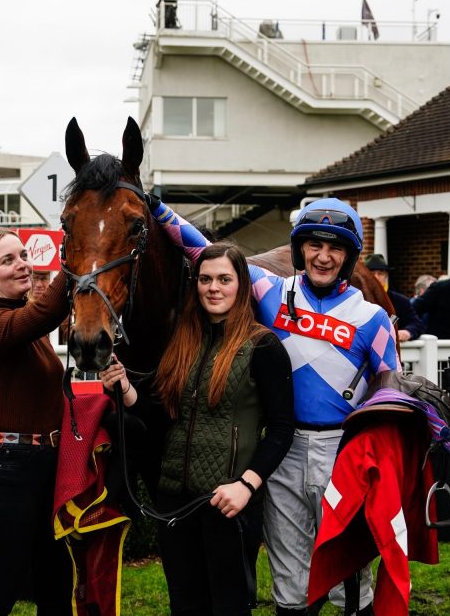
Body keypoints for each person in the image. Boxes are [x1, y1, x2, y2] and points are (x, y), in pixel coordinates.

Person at [151, 196, 398, 615]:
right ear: (299, 248)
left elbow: (390, 396)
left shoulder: (373, 318)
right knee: (289, 578)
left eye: (335, 247)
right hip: (283, 452)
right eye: (313, 245)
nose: (323, 256)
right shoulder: (269, 289)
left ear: (349, 254)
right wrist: (154, 206)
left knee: (350, 578)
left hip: (341, 453)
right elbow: (199, 248)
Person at [154, 242, 294, 614]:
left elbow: (282, 429)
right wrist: (126, 391)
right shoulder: (182, 342)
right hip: (175, 500)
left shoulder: (262, 346)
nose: (213, 288)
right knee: (185, 604)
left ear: (241, 286)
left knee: (228, 606)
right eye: (205, 279)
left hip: (227, 501)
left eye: (223, 279)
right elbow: (164, 412)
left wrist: (247, 485)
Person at [0, 229, 73, 615]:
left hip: (47, 467)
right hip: (8, 472)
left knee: (57, 585)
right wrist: (76, 258)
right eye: (8, 260)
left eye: (23, 255)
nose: (23, 264)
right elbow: (47, 312)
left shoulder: (25, 325)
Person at [364, 253, 425, 342]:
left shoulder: (400, 301)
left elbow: (416, 323)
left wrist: (407, 332)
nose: (376, 277)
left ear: (386, 276)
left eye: (380, 273)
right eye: (372, 273)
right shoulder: (355, 299)